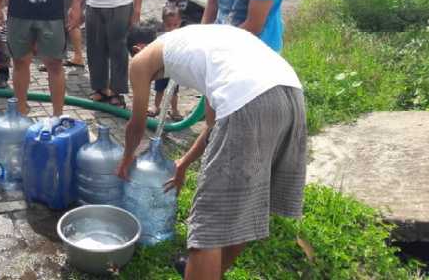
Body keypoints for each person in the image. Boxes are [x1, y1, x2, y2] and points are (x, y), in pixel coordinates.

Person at [119, 23, 307, 280]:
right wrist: (183, 164)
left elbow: (137, 124)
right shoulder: (199, 44)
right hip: (291, 95)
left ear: (138, 48)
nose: (150, 81)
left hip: (249, 99)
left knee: (208, 225)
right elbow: (213, 126)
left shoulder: (141, 60)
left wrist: (127, 158)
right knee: (243, 209)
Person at [147, 4, 182, 121]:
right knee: (159, 89)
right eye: (168, 25)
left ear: (180, 23)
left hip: (174, 69)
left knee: (174, 91)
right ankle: (156, 106)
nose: (172, 28)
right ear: (163, 23)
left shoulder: (181, 36)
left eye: (175, 25)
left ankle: (174, 109)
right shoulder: (161, 36)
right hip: (162, 67)